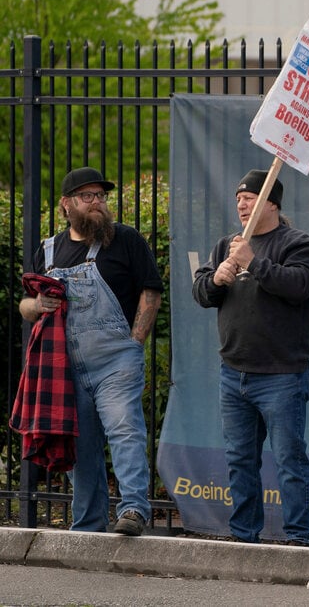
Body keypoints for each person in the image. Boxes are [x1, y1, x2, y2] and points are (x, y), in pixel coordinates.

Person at [18, 166, 163, 536]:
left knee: (125, 430)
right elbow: (25, 304)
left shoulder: (126, 241)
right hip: (66, 366)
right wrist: (37, 307)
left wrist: (135, 342)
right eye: (88, 196)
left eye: (101, 196)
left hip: (116, 360)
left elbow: (151, 291)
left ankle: (133, 509)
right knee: (81, 447)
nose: (97, 202)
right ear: (67, 205)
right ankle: (88, 524)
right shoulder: (49, 250)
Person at [192, 169, 309, 546]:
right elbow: (200, 292)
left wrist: (253, 263)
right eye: (238, 199)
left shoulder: (299, 244)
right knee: (240, 462)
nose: (241, 204)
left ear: (272, 203)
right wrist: (217, 278)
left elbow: (300, 286)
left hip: (282, 376)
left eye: (249, 197)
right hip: (234, 375)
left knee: (290, 463)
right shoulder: (225, 246)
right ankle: (244, 537)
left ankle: (299, 541)